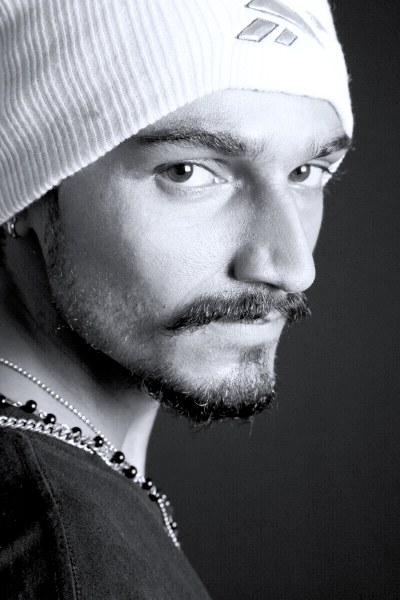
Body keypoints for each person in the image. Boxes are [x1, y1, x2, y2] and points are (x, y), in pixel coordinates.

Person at [0, 0, 353, 597]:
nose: (293, 267)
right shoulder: (68, 558)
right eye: (187, 172)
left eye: (307, 172)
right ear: (27, 188)